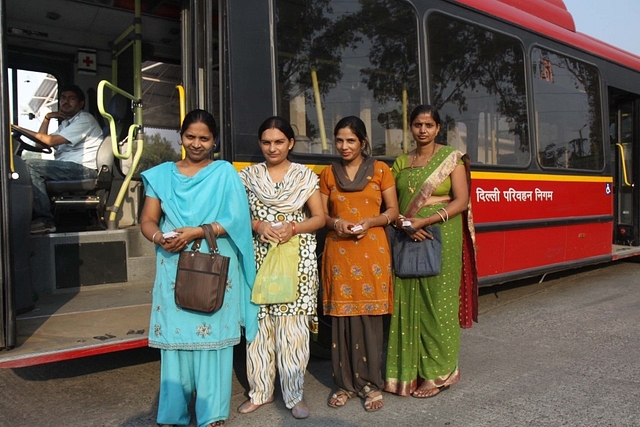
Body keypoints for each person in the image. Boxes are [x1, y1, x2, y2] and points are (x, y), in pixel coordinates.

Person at [139, 109, 258, 427]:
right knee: (176, 344)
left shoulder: (224, 173)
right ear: (181, 137)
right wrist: (159, 237)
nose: (196, 143)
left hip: (214, 262)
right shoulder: (161, 175)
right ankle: (173, 413)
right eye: (190, 136)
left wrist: (195, 231)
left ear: (214, 141)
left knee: (213, 341)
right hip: (172, 261)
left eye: (204, 138)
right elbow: (148, 219)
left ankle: (212, 413)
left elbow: (237, 221)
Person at [384, 104, 478, 398]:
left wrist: (426, 219)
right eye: (417, 125)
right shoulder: (400, 163)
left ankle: (440, 373)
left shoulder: (452, 160)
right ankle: (407, 372)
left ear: (438, 128)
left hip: (441, 234)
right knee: (407, 300)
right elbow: (390, 204)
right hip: (407, 234)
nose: (422, 130)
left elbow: (461, 201)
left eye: (428, 125)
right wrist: (404, 222)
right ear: (410, 128)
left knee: (438, 305)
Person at [237, 116, 325, 420]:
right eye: (266, 142)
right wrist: (258, 224)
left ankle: (294, 395)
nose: (272, 148)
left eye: (278, 142)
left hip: (296, 262)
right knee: (259, 328)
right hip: (258, 260)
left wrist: (294, 228)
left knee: (293, 331)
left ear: (290, 143)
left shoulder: (304, 177)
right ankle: (260, 392)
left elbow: (320, 218)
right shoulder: (247, 177)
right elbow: (234, 218)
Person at [319, 116, 399, 412]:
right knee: (342, 319)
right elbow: (321, 215)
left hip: (372, 250)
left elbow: (392, 210)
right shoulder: (328, 173)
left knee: (369, 318)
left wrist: (371, 221)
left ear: (363, 142)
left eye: (350, 140)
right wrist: (337, 222)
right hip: (339, 252)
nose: (344, 146)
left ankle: (370, 384)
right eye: (339, 140)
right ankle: (344, 384)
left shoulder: (380, 170)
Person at [20, 85, 104, 234]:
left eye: (71, 98)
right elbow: (40, 144)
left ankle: (45, 220)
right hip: (69, 167)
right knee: (27, 165)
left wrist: (17, 128)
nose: (66, 101)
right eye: (63, 98)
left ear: (81, 103)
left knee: (29, 165)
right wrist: (46, 119)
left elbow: (50, 141)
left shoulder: (85, 119)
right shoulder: (66, 124)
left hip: (83, 170)